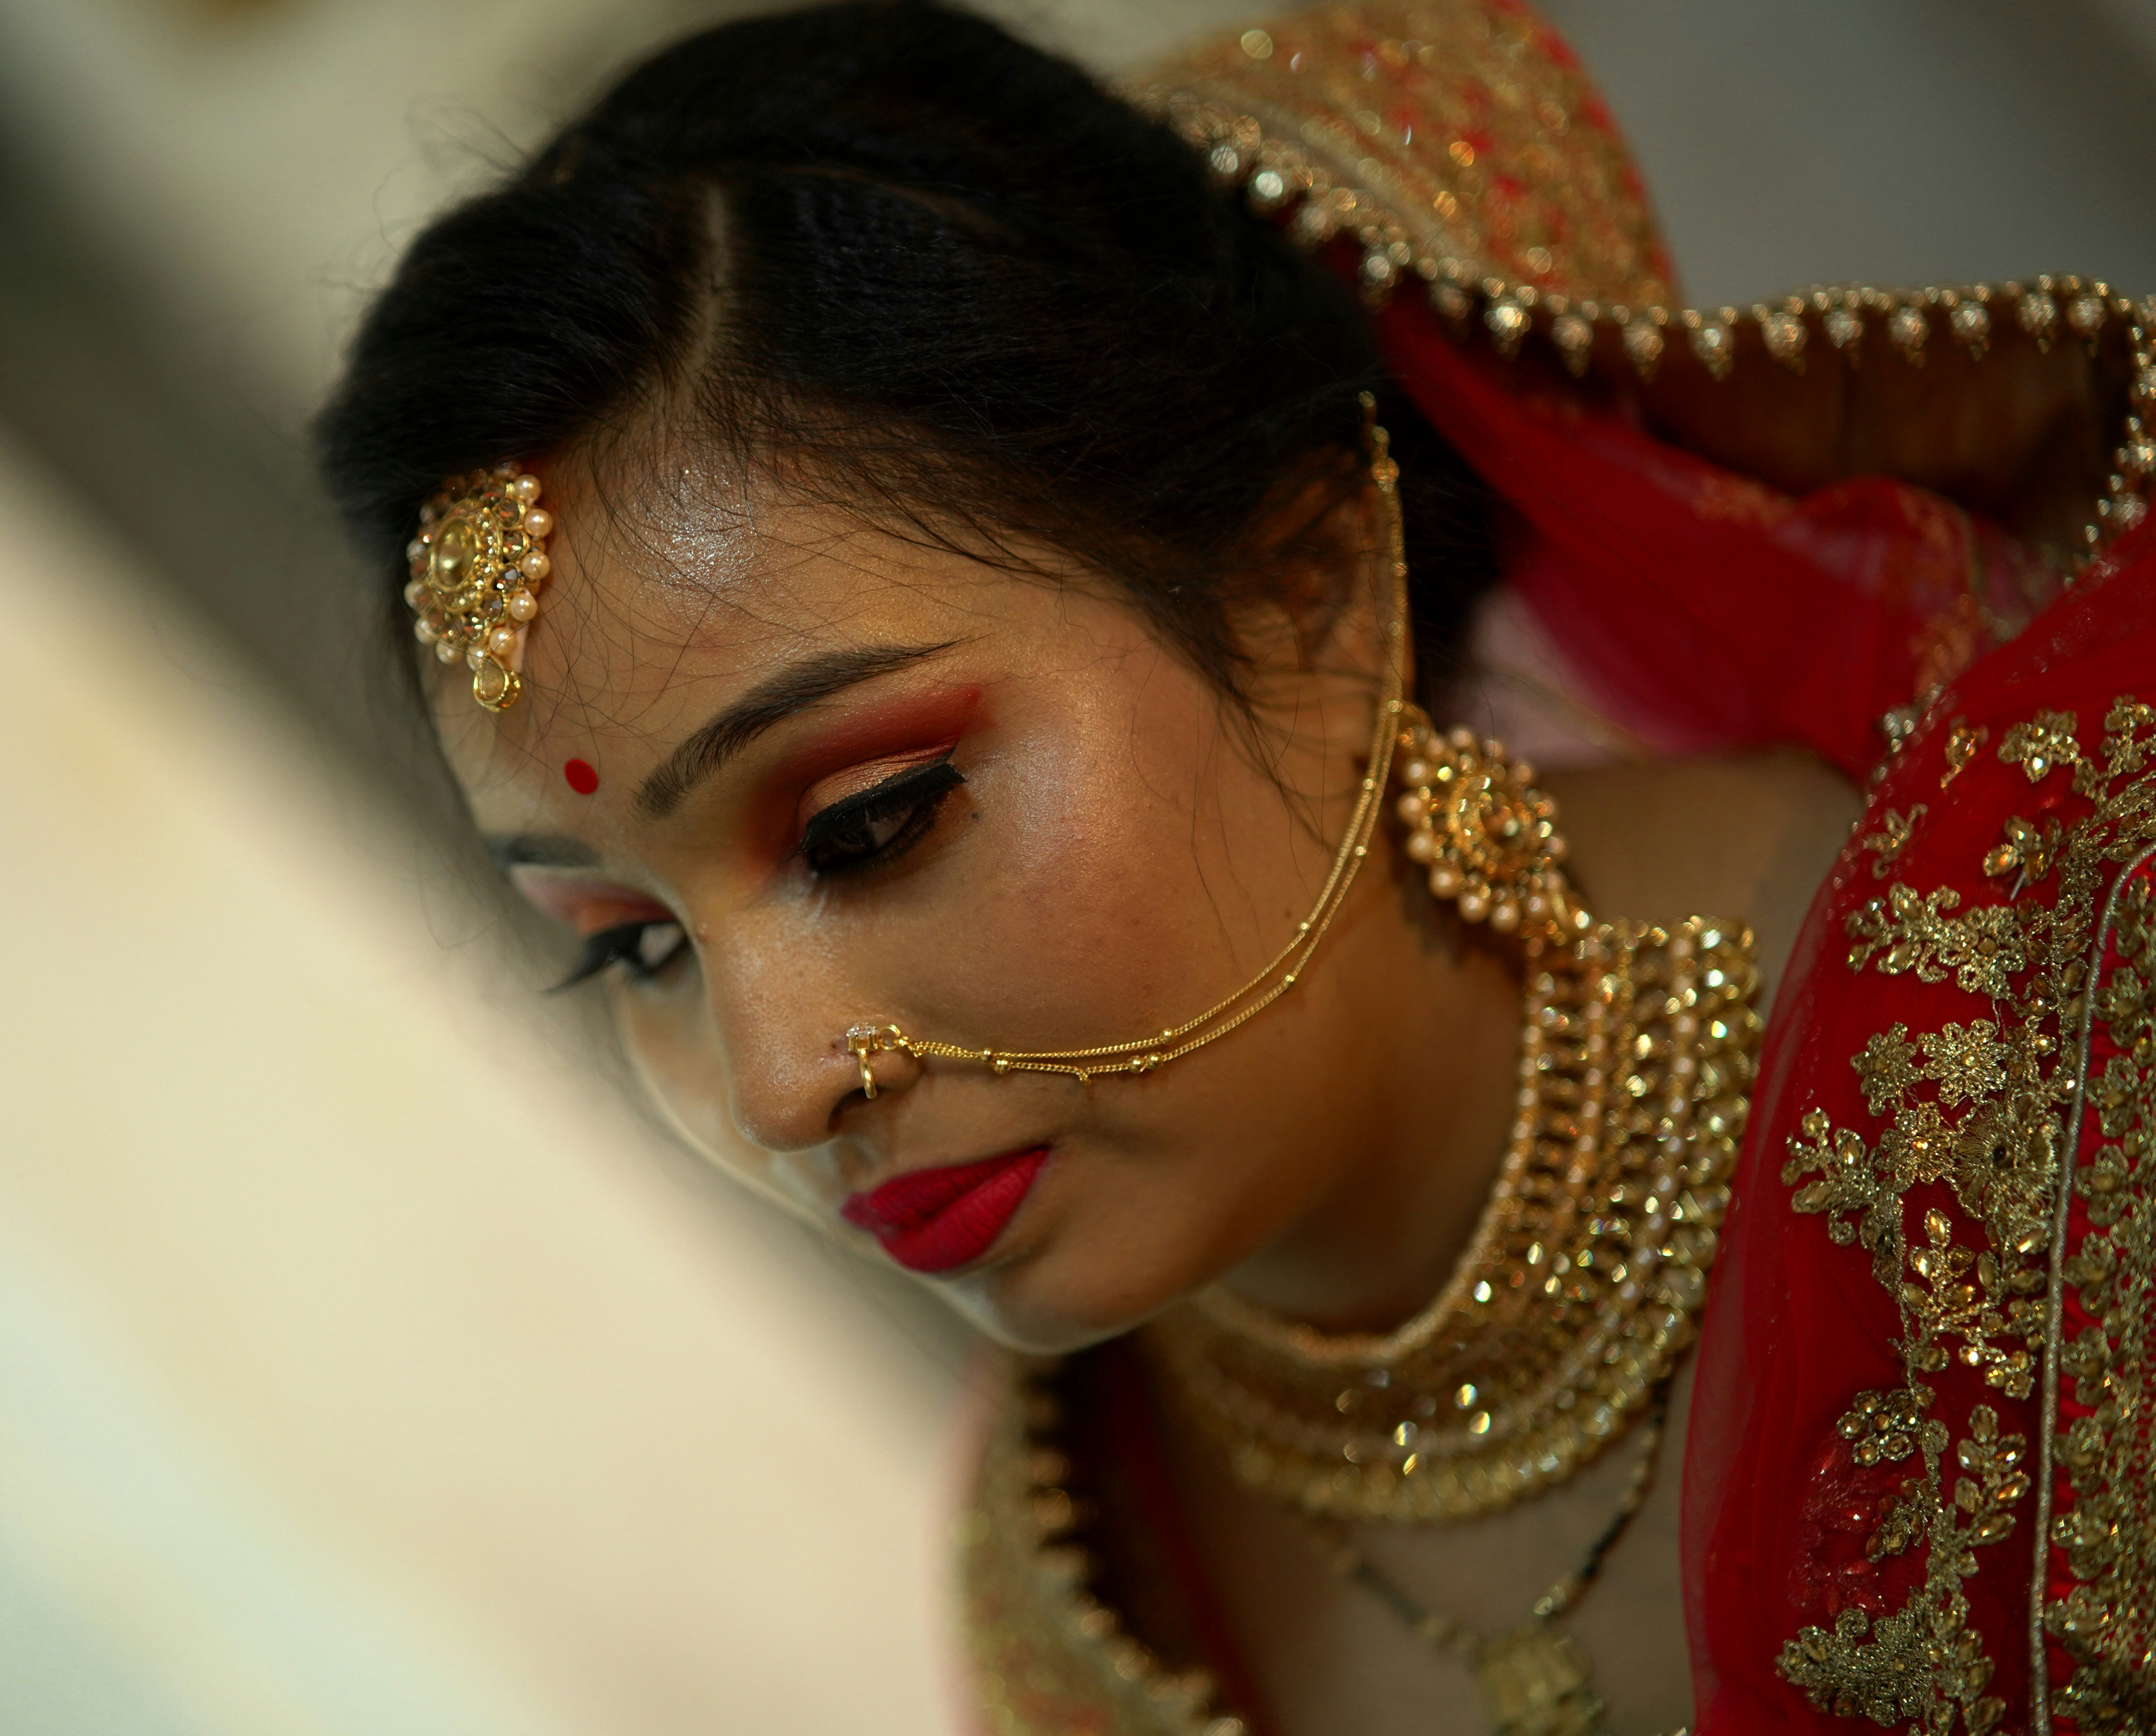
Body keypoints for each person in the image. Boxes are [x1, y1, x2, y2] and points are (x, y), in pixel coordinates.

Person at [312, 1, 2156, 1731]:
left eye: (872, 822)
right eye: (630, 948)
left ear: (1312, 584)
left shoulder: (2086, 994)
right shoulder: (1079, 1609)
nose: (784, 1081)